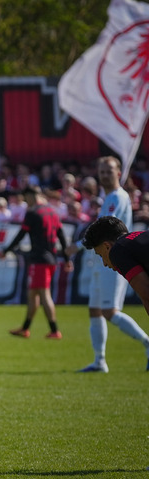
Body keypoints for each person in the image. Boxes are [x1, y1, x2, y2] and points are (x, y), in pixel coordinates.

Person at [66, 156, 149, 373]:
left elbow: (103, 231)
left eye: (108, 171)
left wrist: (75, 246)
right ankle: (99, 360)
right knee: (95, 311)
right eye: (101, 171)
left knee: (110, 311)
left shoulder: (117, 197)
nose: (104, 175)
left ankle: (147, 343)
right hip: (100, 260)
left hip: (114, 259)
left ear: (119, 173)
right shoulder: (107, 197)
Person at [0, 187, 72, 339]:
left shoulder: (33, 213)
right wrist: (66, 259)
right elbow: (62, 237)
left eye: (26, 199)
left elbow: (21, 234)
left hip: (39, 259)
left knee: (44, 294)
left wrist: (6, 250)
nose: (26, 202)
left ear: (31, 196)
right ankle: (25, 328)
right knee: (32, 295)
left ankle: (54, 330)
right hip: (51, 259)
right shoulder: (53, 212)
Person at [81, 216, 149, 339]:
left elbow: (146, 293)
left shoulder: (118, 250)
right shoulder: (140, 238)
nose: (105, 264)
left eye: (101, 255)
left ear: (107, 246)